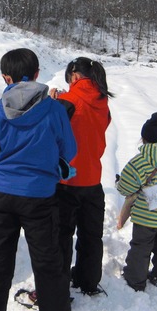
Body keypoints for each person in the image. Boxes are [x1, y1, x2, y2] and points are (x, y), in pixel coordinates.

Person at [0, 48, 77, 311]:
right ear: (36, 75)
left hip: (2, 197)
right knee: (48, 265)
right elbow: (69, 150)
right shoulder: (54, 110)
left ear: (6, 77)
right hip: (40, 197)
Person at [49, 57, 114, 296]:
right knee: (91, 236)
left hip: (67, 180)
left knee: (62, 236)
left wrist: (53, 102)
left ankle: (59, 287)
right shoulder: (102, 101)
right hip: (93, 180)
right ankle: (88, 281)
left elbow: (52, 132)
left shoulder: (66, 101)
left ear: (74, 75)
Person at [117, 112, 157, 292]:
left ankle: (135, 280)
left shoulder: (139, 161)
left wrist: (119, 182)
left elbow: (125, 188)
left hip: (145, 216)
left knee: (141, 248)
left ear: (144, 138)